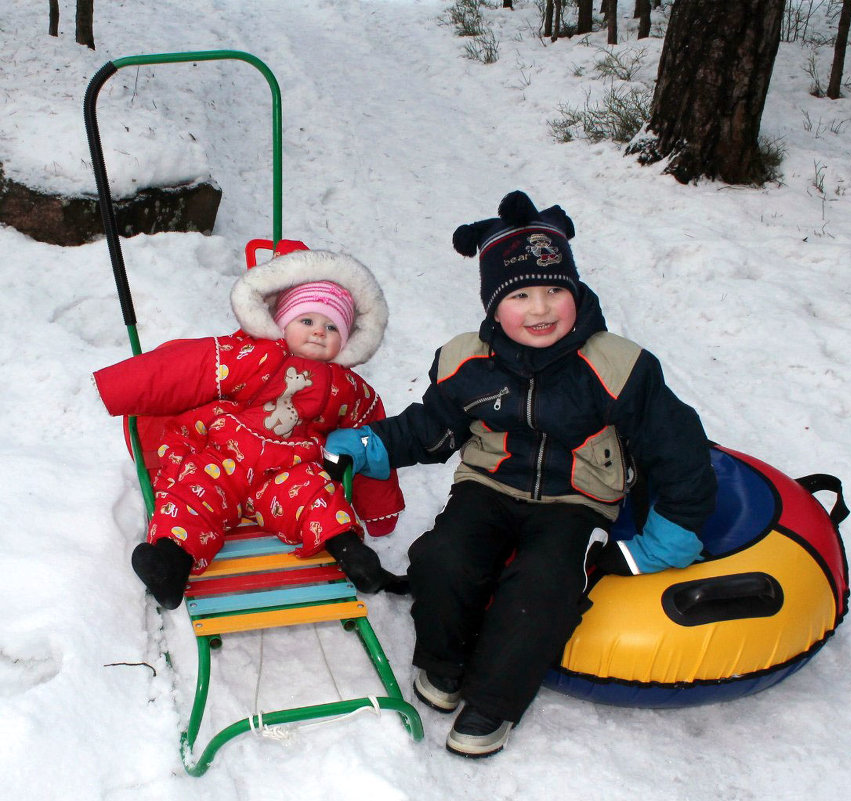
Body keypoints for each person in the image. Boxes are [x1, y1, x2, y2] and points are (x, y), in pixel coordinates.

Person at [325, 191, 718, 758]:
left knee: (541, 587)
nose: (540, 309)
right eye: (521, 294)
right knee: (442, 557)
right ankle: (442, 662)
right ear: (493, 306)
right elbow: (429, 427)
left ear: (575, 292)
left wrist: (666, 538)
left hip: (578, 499)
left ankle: (494, 701)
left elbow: (678, 449)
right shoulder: (468, 360)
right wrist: (368, 444)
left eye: (555, 290)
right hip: (488, 485)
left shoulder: (617, 365)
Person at [93, 249, 407, 610]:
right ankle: (171, 562)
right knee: (194, 494)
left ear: (348, 340)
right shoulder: (253, 354)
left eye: (332, 326)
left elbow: (370, 443)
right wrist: (118, 386)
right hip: (223, 457)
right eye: (306, 320)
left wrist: (379, 511)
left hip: (288, 469)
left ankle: (351, 553)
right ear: (281, 322)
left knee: (316, 495)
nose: (319, 331)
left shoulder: (349, 388)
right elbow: (188, 369)